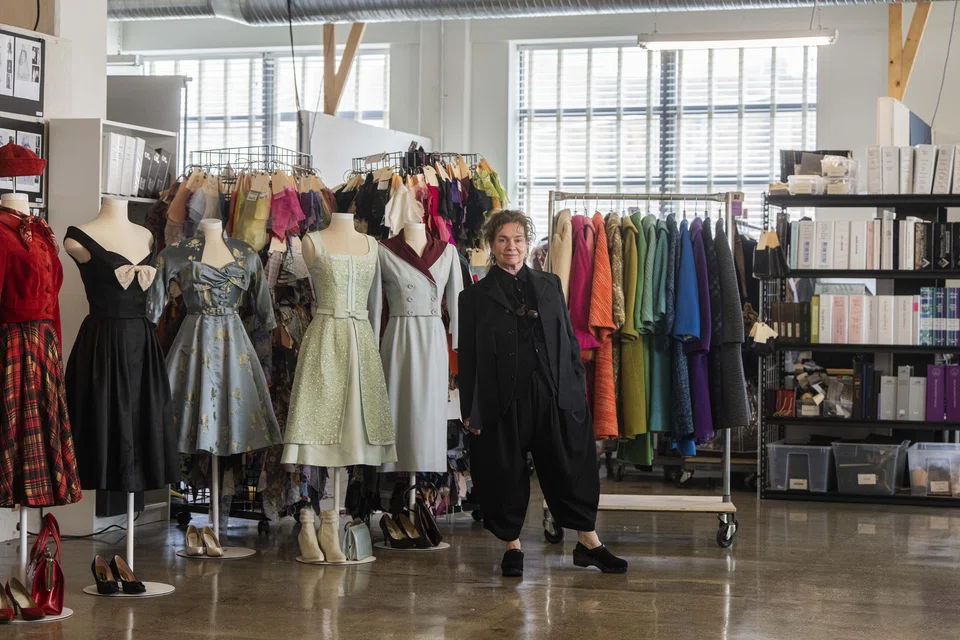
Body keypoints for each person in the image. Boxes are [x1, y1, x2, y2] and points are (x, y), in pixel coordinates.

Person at [458, 209, 627, 578]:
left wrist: (576, 391)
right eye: (502, 240)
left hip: (553, 393)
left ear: (527, 243)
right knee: (505, 471)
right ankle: (512, 547)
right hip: (502, 398)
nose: (511, 247)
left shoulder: (550, 285)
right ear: (491, 244)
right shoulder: (473, 297)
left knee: (570, 465)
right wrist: (470, 409)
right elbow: (468, 357)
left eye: (517, 240)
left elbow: (567, 342)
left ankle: (588, 542)